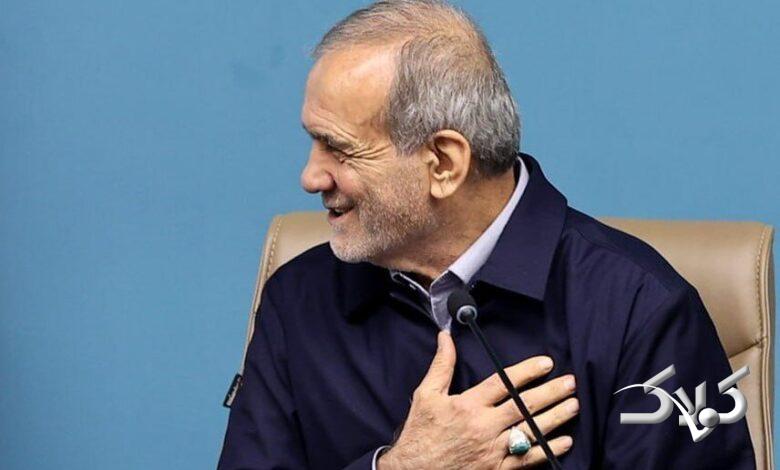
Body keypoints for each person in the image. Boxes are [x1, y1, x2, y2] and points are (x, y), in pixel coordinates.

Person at [218, 1, 756, 468]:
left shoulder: (644, 310)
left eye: (340, 149)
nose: (311, 177)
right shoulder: (297, 301)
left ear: (444, 163)